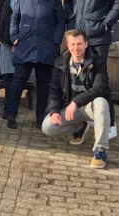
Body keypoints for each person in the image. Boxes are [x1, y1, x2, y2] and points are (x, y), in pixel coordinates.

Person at [42, 29, 113, 169]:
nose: (76, 48)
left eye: (79, 44)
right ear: (67, 45)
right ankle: (81, 126)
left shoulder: (98, 61)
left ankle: (100, 150)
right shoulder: (59, 63)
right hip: (70, 109)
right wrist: (54, 110)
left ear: (86, 44)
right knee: (47, 127)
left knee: (101, 102)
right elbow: (54, 90)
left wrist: (76, 102)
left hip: (89, 107)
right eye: (73, 44)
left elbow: (100, 88)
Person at [6, 0, 64, 130]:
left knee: (44, 85)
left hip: (46, 47)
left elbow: (60, 21)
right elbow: (14, 18)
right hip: (24, 46)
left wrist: (56, 40)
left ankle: (40, 118)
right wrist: (14, 37)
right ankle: (11, 115)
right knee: (18, 82)